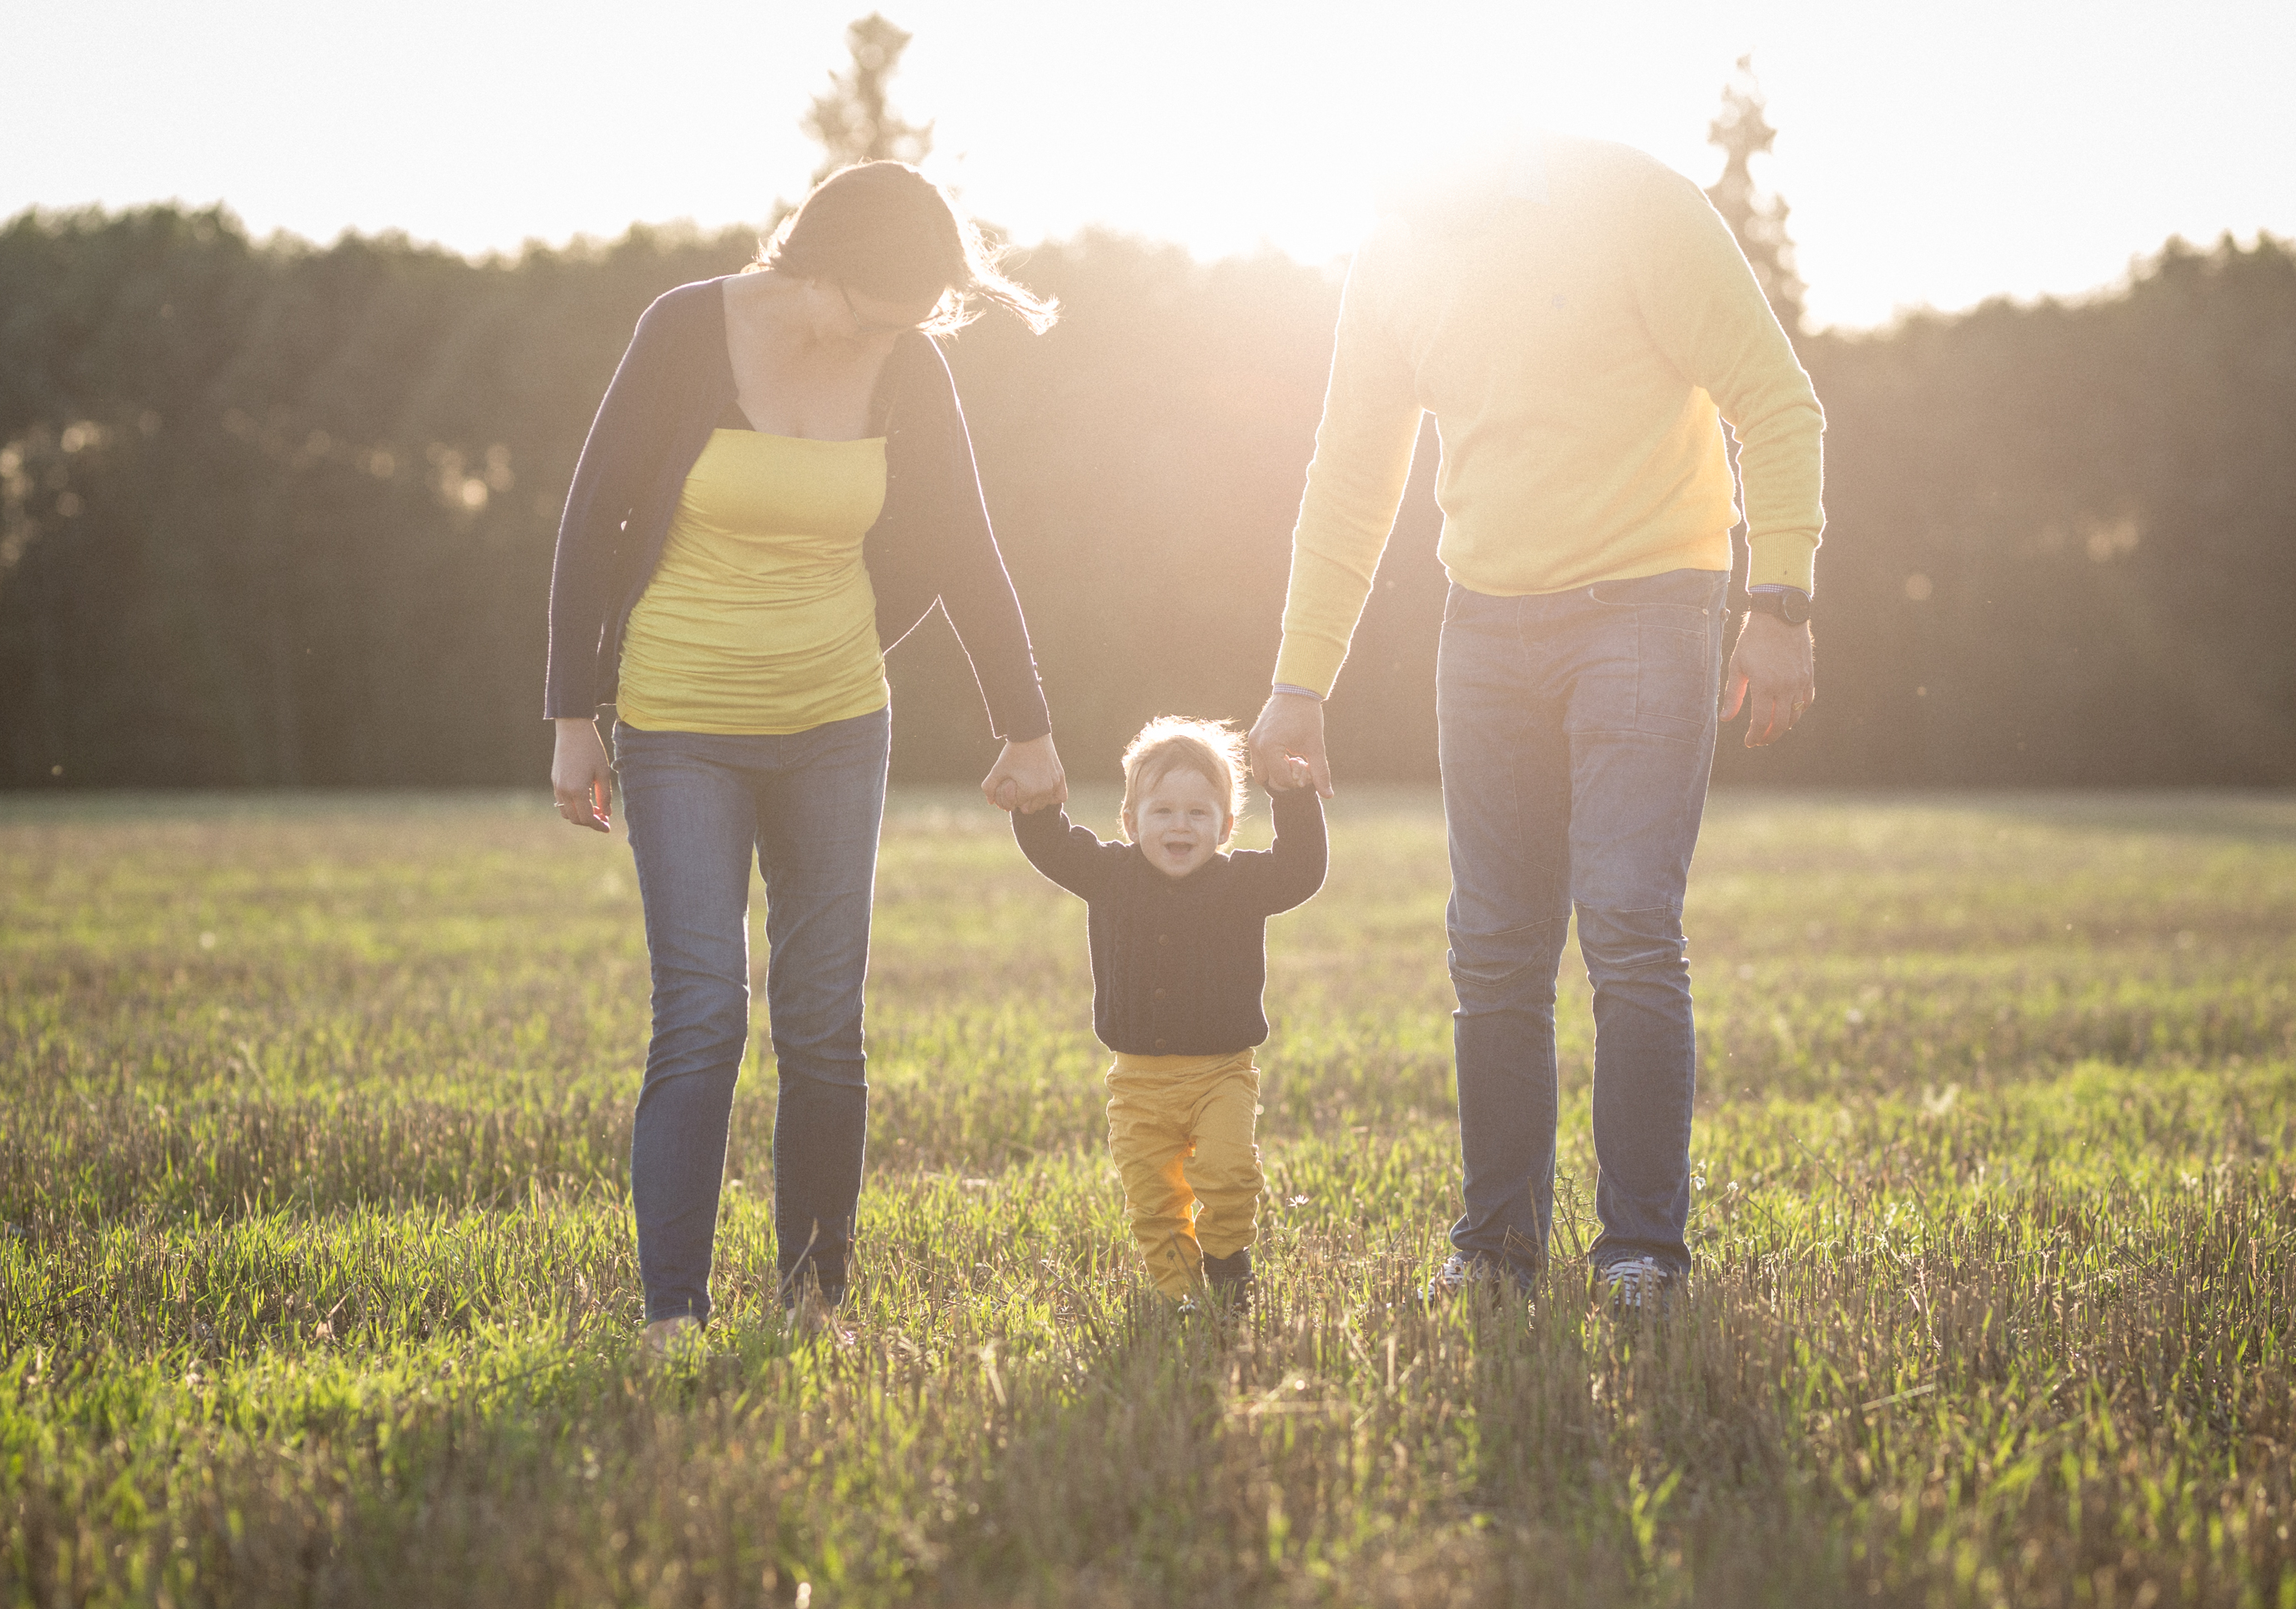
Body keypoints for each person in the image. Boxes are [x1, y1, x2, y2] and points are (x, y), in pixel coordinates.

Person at [1246, 132, 1825, 1311]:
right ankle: (1498, 1247)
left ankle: (1642, 1253)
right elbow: (1352, 474)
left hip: (1651, 609)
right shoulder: (1392, 249)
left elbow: (1779, 403)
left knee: (1624, 920)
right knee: (1495, 943)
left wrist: (1782, 602)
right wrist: (1300, 679)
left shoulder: (1636, 203)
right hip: (1486, 625)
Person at [544, 162, 1069, 1354]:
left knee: (826, 1024)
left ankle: (814, 1305)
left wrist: (1025, 724)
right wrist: (574, 712)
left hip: (837, 721)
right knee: (702, 1017)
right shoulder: (684, 327)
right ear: (815, 260)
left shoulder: (911, 365)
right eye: (868, 312)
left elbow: (965, 547)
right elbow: (594, 514)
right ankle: (672, 1311)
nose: (875, 340)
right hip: (679, 721)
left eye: (904, 324)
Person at [1009, 719, 1327, 1312]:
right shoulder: (1109, 875)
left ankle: (1228, 1262)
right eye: (1163, 812)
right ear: (1131, 822)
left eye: (1199, 813)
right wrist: (1032, 802)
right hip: (1138, 1085)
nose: (1180, 825)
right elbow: (1052, 846)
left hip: (1221, 1076)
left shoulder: (1240, 883)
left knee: (1231, 1174)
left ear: (1227, 826)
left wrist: (1293, 794)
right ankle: (1180, 1299)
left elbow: (1302, 871)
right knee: (1154, 1202)